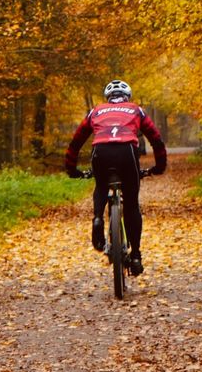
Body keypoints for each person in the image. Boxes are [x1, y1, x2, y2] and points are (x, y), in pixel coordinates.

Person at [64, 79, 167, 275]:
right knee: (131, 204)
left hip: (100, 151)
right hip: (127, 151)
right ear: (127, 96)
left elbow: (76, 141)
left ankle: (97, 219)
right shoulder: (136, 110)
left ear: (108, 98)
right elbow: (156, 139)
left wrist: (72, 169)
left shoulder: (95, 111)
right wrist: (159, 166)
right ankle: (136, 256)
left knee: (101, 185)